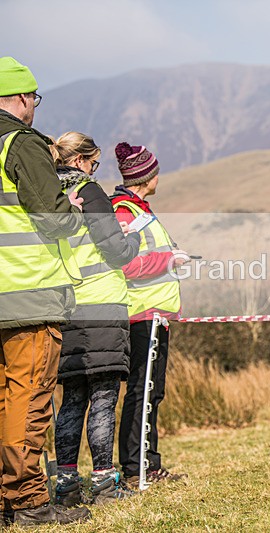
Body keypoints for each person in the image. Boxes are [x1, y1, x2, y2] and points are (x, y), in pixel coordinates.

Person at [0, 57, 90, 525]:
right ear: (20, 98)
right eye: (34, 98)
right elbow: (52, 217)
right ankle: (28, 501)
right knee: (29, 398)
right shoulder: (21, 143)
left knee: (3, 400)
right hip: (27, 293)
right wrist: (73, 209)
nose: (35, 105)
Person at [49, 133, 141, 506]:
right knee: (103, 396)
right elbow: (116, 251)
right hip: (102, 303)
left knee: (72, 398)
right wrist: (132, 240)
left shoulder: (46, 195)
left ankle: (67, 484)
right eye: (93, 163)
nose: (94, 170)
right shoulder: (89, 192)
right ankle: (104, 482)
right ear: (80, 161)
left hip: (65, 307)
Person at [110, 142, 187, 486]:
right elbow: (127, 265)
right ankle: (138, 467)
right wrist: (170, 260)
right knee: (143, 391)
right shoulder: (125, 212)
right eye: (155, 170)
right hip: (142, 313)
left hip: (155, 313)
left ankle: (147, 463)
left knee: (151, 392)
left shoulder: (140, 209)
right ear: (146, 176)